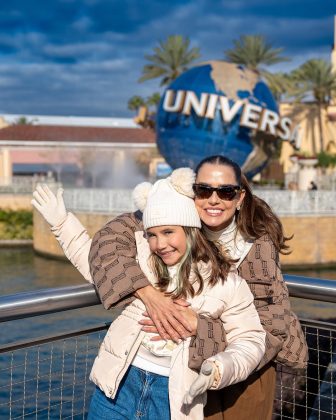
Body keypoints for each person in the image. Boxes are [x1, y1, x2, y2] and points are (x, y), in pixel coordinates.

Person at [32, 169, 266, 420]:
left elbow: (251, 340)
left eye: (168, 232)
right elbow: (93, 263)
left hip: (173, 397)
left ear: (190, 230)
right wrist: (61, 222)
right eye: (152, 235)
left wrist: (217, 369)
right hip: (118, 386)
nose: (159, 244)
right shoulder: (141, 262)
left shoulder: (226, 283)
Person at [87, 155, 308, 420]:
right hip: (189, 372)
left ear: (239, 198)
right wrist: (149, 294)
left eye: (226, 192)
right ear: (192, 193)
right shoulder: (182, 217)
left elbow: (269, 331)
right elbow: (110, 238)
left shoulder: (256, 247)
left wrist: (198, 327)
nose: (214, 199)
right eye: (204, 190)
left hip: (244, 376)